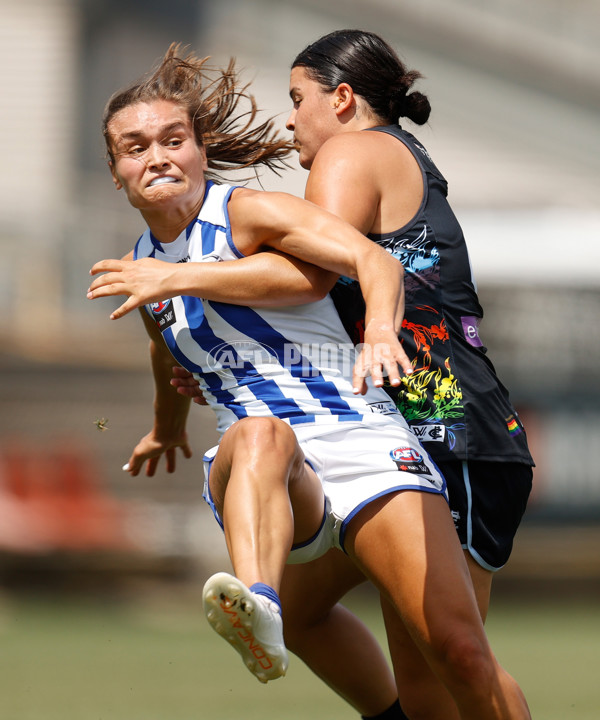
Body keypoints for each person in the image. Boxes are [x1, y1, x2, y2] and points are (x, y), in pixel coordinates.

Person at [88, 43, 532, 719]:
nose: (156, 158)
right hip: (276, 466)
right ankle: (257, 605)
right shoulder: (139, 273)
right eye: (134, 148)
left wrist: (380, 329)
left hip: (376, 436)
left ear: (201, 151)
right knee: (261, 436)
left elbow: (359, 265)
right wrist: (165, 427)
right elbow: (164, 352)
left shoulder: (248, 213)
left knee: (453, 662)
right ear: (115, 172)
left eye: (173, 140)